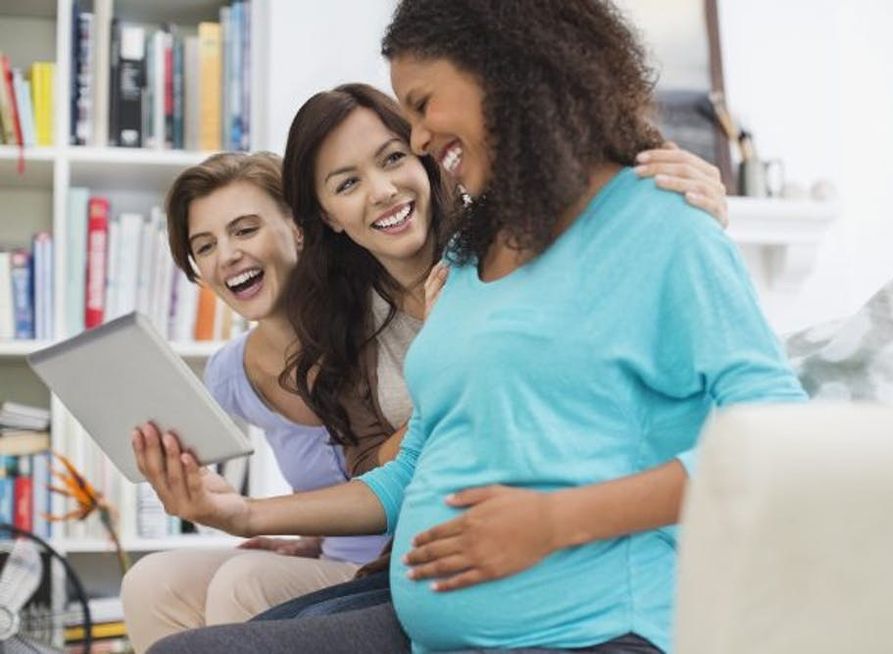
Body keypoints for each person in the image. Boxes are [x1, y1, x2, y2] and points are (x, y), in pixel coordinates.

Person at [127, 82, 730, 649]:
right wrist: (247, 515)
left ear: (426, 157)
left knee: (244, 603)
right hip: (419, 561)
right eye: (346, 183)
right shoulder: (347, 323)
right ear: (325, 217)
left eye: (392, 159)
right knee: (183, 606)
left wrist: (685, 211)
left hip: (551, 568)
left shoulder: (503, 258)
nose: (382, 190)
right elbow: (396, 471)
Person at [120, 152, 391, 653]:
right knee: (151, 580)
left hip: (388, 573)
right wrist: (305, 541)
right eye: (206, 246)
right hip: (333, 562)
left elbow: (403, 476)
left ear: (299, 227)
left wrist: (260, 515)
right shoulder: (229, 375)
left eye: (244, 230)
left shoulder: (377, 326)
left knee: (243, 581)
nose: (226, 256)